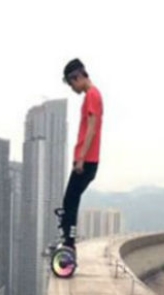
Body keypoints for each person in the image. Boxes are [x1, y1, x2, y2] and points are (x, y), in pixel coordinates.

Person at [59, 58, 103, 250]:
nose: (72, 88)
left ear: (77, 77)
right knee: (71, 200)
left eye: (71, 84)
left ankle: (69, 242)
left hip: (87, 161)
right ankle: (69, 241)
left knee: (70, 200)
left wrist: (81, 159)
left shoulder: (93, 95)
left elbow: (92, 129)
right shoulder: (91, 96)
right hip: (86, 159)